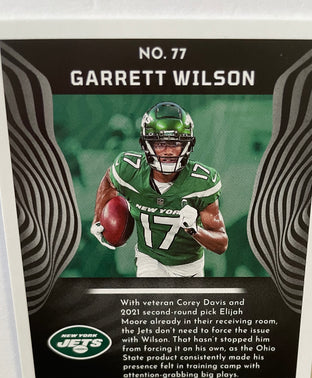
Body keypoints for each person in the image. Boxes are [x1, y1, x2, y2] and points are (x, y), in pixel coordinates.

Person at [91, 101, 228, 277]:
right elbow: (109, 179)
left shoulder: (201, 182)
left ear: (188, 144)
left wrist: (194, 228)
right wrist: (98, 217)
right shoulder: (127, 168)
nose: (168, 152)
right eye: (160, 143)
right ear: (144, 144)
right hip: (146, 260)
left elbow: (221, 242)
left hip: (190, 265)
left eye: (175, 143)